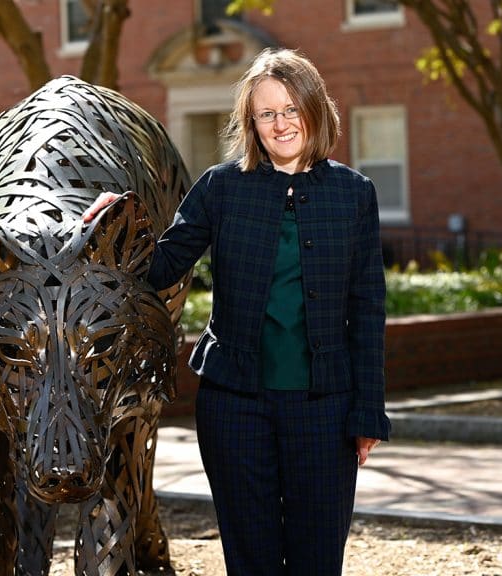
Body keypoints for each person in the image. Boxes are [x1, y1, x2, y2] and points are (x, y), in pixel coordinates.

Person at [83, 47, 390, 576]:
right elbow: (160, 267)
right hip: (235, 409)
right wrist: (117, 217)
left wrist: (368, 413)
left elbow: (368, 311)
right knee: (251, 562)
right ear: (251, 123)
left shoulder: (354, 195)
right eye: (266, 113)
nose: (280, 123)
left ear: (315, 110)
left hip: (325, 411)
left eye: (291, 108)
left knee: (318, 561)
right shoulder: (222, 188)